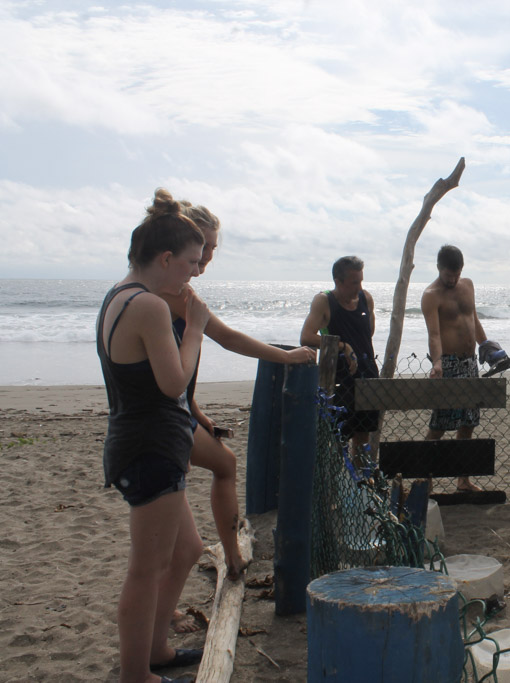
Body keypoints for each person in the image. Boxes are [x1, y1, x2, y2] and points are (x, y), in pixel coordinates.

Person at [159, 202, 316, 635]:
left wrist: (194, 408)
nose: (206, 259)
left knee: (219, 472)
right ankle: (230, 558)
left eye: (210, 250)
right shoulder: (169, 295)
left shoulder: (177, 292)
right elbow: (223, 339)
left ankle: (229, 556)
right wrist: (285, 355)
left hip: (176, 413)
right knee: (170, 536)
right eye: (201, 250)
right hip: (159, 423)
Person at [97, 188, 209, 682]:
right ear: (165, 258)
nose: (193, 272)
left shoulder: (117, 296)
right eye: (190, 261)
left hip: (139, 442)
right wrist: (196, 329)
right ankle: (135, 675)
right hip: (148, 449)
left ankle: (157, 649)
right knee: (146, 570)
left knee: (186, 550)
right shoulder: (148, 307)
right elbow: (173, 384)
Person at [421, 245, 492, 492]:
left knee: (469, 422)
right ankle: (425, 479)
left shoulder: (468, 285)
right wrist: (437, 362)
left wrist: (486, 345)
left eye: (456, 274)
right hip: (448, 364)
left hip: (470, 362)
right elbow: (434, 334)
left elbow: (473, 317)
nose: (452, 279)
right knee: (440, 423)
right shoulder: (431, 294)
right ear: (439, 268)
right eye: (448, 275)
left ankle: (463, 480)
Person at [299, 256, 380, 455]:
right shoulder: (324, 301)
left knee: (363, 435)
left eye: (361, 280)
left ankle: (360, 481)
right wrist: (343, 346)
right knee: (338, 436)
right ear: (338, 281)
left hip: (367, 374)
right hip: (338, 377)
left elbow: (368, 333)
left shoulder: (365, 298)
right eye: (354, 282)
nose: (359, 287)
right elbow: (306, 337)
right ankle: (335, 482)